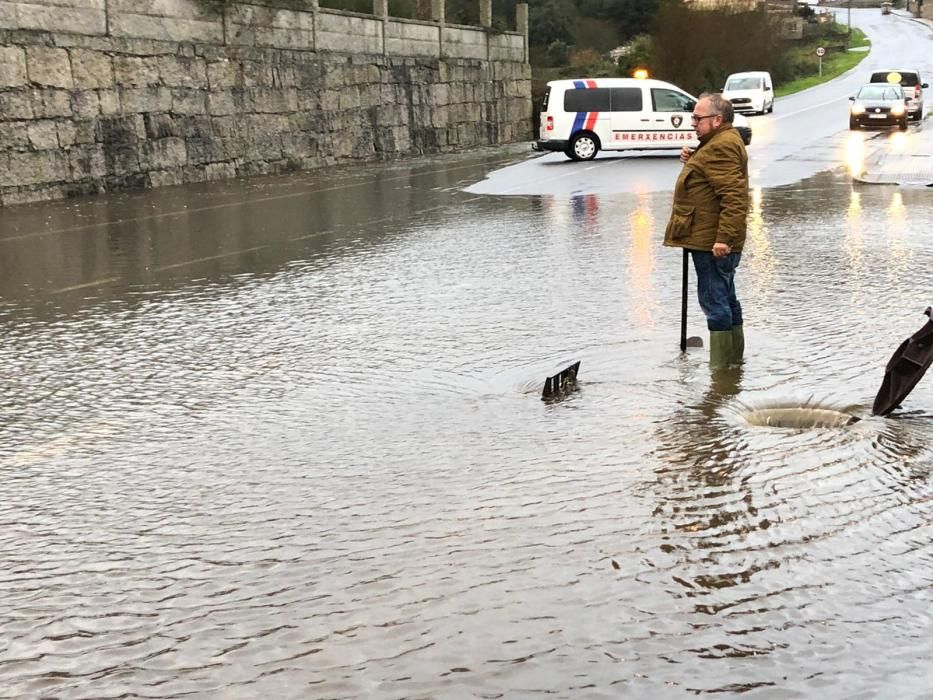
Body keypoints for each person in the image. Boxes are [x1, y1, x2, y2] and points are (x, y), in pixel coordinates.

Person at [664, 92, 749, 369]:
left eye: (698, 118)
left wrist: (724, 239)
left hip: (712, 242)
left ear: (717, 119)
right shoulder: (718, 142)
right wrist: (694, 159)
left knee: (715, 301)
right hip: (711, 239)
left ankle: (721, 374)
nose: (692, 123)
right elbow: (711, 179)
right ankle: (734, 366)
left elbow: (734, 197)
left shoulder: (719, 147)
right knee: (726, 297)